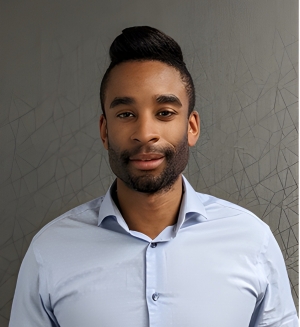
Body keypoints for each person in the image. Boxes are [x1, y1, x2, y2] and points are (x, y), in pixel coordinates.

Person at [9, 26, 297, 327]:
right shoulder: (50, 251)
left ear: (192, 127)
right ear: (105, 131)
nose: (145, 134)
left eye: (165, 113)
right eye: (125, 114)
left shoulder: (252, 241)